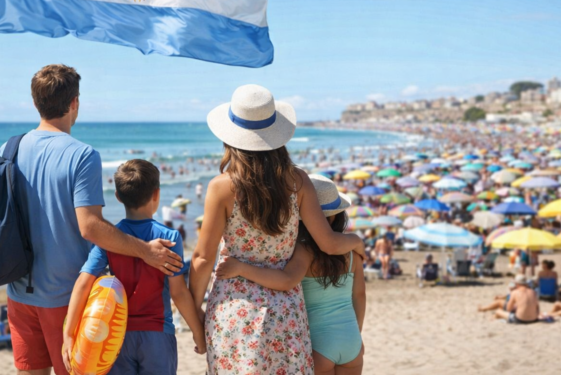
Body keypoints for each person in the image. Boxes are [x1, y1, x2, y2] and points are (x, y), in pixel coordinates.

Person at [1, 65, 181, 375]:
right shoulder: (82, 155)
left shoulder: (11, 148)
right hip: (65, 293)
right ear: (74, 103)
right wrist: (144, 251)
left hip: (19, 290)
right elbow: (91, 226)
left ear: (35, 103)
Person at [189, 85, 364, 375]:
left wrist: (196, 312)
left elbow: (202, 259)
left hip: (234, 307)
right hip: (286, 312)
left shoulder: (222, 187)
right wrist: (356, 240)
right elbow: (330, 244)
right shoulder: (298, 182)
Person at [62, 160, 205, 375]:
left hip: (116, 336)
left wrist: (69, 334)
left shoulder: (110, 239)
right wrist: (197, 332)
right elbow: (178, 292)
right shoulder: (169, 237)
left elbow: (83, 283)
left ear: (118, 197)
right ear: (156, 194)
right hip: (158, 333)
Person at [215, 175, 365, 375]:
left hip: (319, 345)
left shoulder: (305, 251)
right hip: (351, 340)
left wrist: (241, 268)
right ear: (337, 216)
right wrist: (355, 335)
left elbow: (287, 280)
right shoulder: (352, 253)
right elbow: (359, 296)